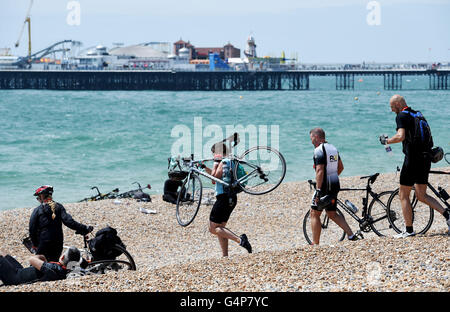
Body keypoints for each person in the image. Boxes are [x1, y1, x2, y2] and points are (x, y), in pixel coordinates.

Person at [380, 95, 450, 237]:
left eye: (393, 107)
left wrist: (387, 141)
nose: (392, 110)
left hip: (412, 159)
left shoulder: (401, 116)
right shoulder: (418, 114)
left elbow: (400, 136)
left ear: (399, 104)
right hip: (426, 158)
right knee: (421, 195)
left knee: (403, 194)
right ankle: (448, 215)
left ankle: (409, 230)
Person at [309, 128, 361, 245]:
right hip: (335, 184)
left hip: (324, 186)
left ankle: (315, 243)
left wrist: (318, 189)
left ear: (316, 137)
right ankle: (351, 235)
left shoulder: (318, 150)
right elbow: (341, 167)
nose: (311, 140)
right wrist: (332, 177)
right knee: (331, 213)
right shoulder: (333, 148)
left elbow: (320, 170)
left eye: (311, 138)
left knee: (314, 212)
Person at [201, 142, 252, 256]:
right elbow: (216, 178)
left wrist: (215, 163)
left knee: (213, 228)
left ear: (218, 153)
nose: (213, 155)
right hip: (231, 198)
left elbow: (215, 176)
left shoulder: (223, 162)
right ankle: (225, 255)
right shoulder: (231, 161)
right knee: (221, 228)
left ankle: (240, 240)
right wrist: (205, 168)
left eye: (214, 153)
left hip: (223, 197)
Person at [29, 185, 93, 261]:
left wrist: (35, 244)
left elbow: (32, 229)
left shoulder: (37, 210)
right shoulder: (58, 207)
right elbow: (69, 222)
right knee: (54, 263)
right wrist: (84, 228)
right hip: (57, 241)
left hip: (43, 242)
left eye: (38, 197)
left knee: (40, 264)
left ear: (42, 196)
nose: (38, 199)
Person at [0, 247, 80, 286]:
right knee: (5, 254)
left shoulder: (55, 269)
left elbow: (31, 259)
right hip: (20, 271)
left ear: (62, 257)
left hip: (15, 278)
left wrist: (41, 256)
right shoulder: (61, 270)